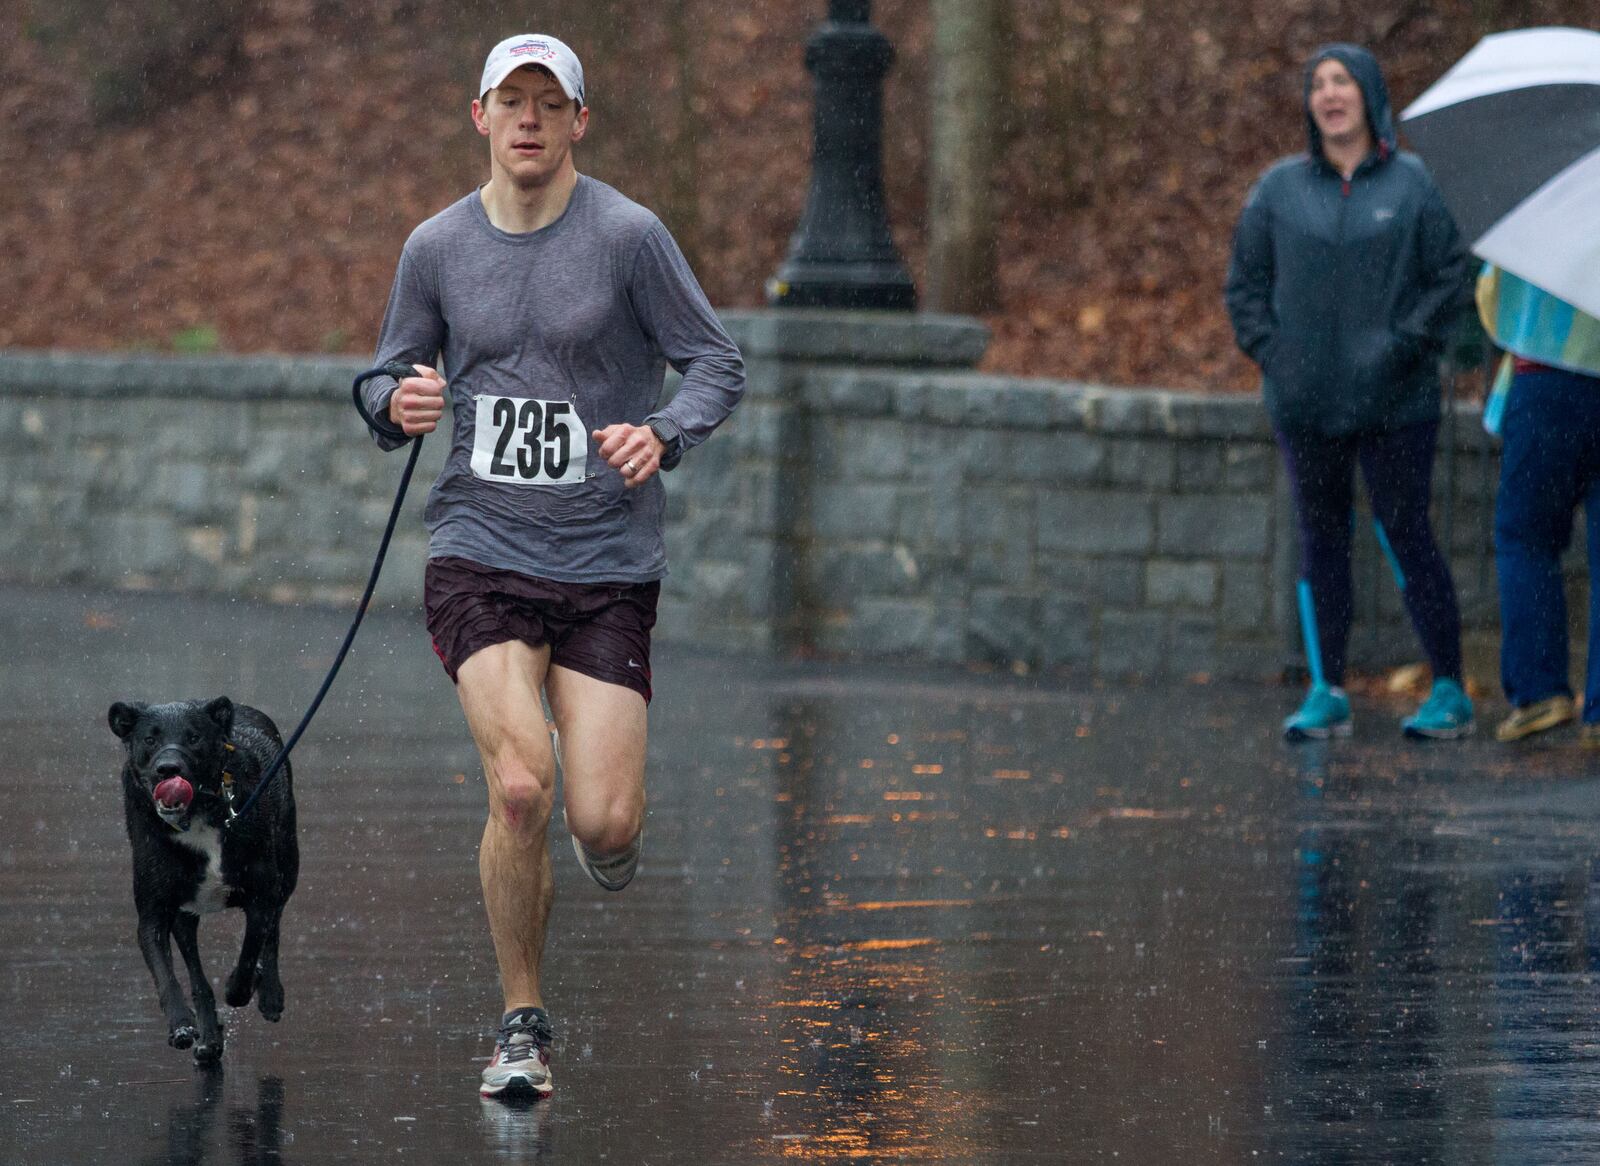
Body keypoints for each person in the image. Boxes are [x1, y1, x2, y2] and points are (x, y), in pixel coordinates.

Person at [355, 33, 745, 1099]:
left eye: (549, 102)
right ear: (478, 117)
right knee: (521, 782)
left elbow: (715, 358)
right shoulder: (435, 247)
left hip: (605, 558)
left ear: (580, 120)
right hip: (478, 546)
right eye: (508, 100)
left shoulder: (629, 238)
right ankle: (520, 1024)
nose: (528, 119)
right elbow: (385, 372)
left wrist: (663, 431)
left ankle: (599, 836)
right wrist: (395, 402)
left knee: (603, 819)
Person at [1225, 43, 1474, 741]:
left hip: (1397, 405)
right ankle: (1325, 690)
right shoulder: (1278, 191)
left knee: (1407, 536)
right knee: (1321, 543)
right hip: (1306, 405)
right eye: (1318, 85)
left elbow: (1450, 279)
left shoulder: (1415, 186)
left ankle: (1449, 688)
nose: (1330, 94)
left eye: (1342, 82)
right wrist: (1279, 358)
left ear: (1369, 95)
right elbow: (1243, 288)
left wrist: (1402, 349)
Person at [1476, 265, 1600, 744]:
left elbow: (1491, 299)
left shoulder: (1539, 216)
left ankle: (1538, 691)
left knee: (1526, 537)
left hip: (1544, 383)